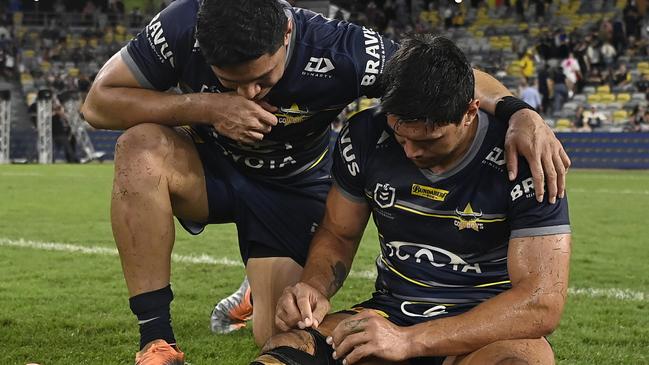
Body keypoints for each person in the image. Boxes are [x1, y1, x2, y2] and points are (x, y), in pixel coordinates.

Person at [81, 0, 570, 363]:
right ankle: (156, 338)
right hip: (209, 169)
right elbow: (97, 104)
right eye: (231, 82)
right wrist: (206, 106)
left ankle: (257, 291)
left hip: (293, 187)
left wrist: (519, 111)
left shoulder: (344, 48)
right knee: (139, 148)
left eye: (262, 80)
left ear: (288, 34)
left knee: (278, 329)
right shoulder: (180, 23)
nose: (249, 94)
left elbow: (445, 72)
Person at [253, 34, 571, 365]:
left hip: (484, 326)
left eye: (430, 140)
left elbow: (540, 301)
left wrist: (411, 341)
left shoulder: (526, 157)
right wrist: (313, 288)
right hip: (393, 311)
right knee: (289, 347)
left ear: (470, 111)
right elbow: (337, 233)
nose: (411, 151)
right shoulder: (366, 135)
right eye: (400, 136)